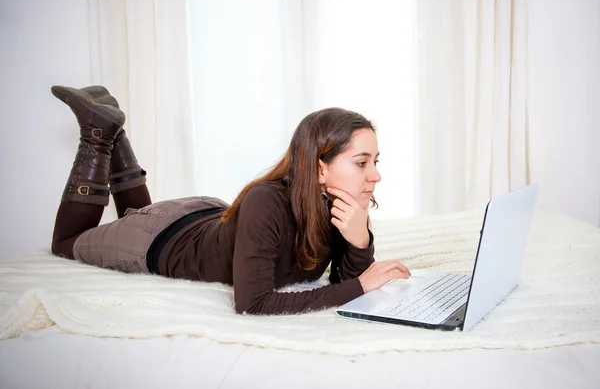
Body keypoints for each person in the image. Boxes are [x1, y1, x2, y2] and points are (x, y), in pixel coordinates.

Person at [50, 85, 411, 315]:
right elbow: (253, 304)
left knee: (131, 214)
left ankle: (115, 132)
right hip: (160, 237)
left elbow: (341, 285)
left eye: (375, 162)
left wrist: (360, 240)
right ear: (320, 169)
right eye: (361, 162)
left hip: (207, 216)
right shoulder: (267, 201)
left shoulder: (339, 203)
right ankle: (98, 135)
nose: (375, 175)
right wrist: (363, 283)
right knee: (65, 245)